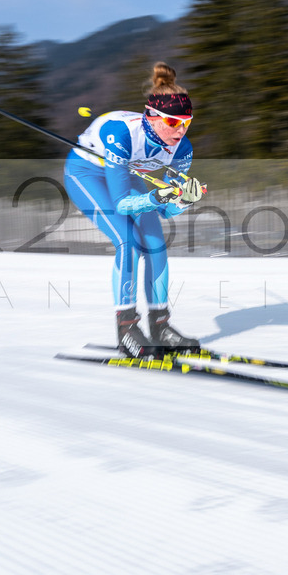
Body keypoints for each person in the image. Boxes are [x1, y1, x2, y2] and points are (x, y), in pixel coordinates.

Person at [64, 62, 204, 357]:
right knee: (129, 241)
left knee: (155, 245)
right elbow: (121, 204)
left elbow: (166, 211)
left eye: (187, 122)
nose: (180, 130)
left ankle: (160, 326)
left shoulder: (183, 148)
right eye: (173, 123)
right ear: (151, 117)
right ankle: (126, 327)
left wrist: (183, 200)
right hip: (87, 174)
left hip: (129, 176)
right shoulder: (121, 133)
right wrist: (158, 197)